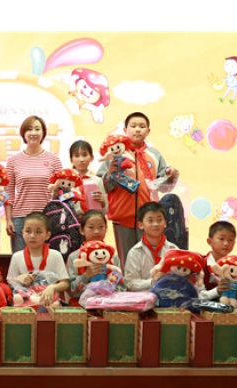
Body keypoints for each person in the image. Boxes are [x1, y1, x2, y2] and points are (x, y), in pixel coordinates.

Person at [98, 111, 179, 267]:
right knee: (126, 262)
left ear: (148, 131)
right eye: (133, 126)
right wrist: (110, 174)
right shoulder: (114, 153)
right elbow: (103, 187)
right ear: (125, 130)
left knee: (149, 262)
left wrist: (171, 176)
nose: (137, 129)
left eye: (142, 126)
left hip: (149, 219)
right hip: (122, 216)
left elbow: (164, 187)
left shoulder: (154, 154)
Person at [4, 115, 63, 252]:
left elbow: (62, 190)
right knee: (21, 259)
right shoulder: (13, 160)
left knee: (47, 259)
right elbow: (8, 193)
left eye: (37, 129)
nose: (33, 133)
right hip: (20, 218)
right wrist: (8, 220)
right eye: (29, 129)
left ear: (43, 133)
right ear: (23, 133)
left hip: (48, 217)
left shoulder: (54, 159)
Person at [6, 212, 70, 307]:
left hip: (49, 303)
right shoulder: (17, 256)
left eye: (38, 232)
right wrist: (19, 279)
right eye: (28, 231)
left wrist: (52, 288)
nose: (32, 236)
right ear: (22, 232)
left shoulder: (55, 255)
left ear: (47, 235)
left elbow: (65, 283)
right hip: (25, 306)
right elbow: (10, 282)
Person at [65, 210, 122, 306]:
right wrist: (86, 276)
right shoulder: (74, 257)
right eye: (91, 227)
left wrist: (108, 288)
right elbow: (71, 290)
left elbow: (122, 287)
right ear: (82, 230)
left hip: (109, 305)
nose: (96, 231)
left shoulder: (113, 257)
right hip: (81, 306)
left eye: (101, 227)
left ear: (106, 229)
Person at [123, 201, 179, 292]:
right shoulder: (135, 252)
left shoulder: (173, 250)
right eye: (150, 220)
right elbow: (130, 283)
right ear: (141, 225)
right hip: (144, 297)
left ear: (165, 223)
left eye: (159, 220)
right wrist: (151, 282)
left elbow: (181, 277)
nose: (155, 224)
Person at [199, 221, 237, 300]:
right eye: (221, 239)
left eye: (230, 240)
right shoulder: (201, 265)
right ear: (209, 241)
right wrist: (216, 291)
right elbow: (197, 294)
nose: (226, 243)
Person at [69, 140, 108, 217]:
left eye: (85, 155)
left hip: (91, 220)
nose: (81, 159)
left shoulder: (97, 181)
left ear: (91, 157)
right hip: (71, 220)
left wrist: (102, 203)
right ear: (71, 159)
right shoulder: (65, 181)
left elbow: (105, 211)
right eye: (76, 156)